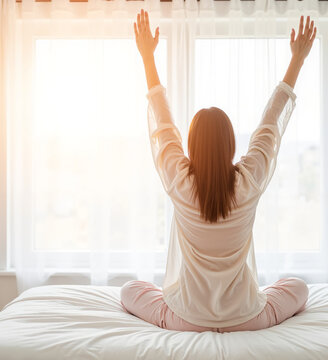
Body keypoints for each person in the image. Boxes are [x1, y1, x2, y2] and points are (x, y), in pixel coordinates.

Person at [121, 9, 317, 332]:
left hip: (186, 318)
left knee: (129, 291)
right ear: (230, 146)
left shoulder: (180, 181)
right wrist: (297, 60)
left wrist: (147, 58)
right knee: (298, 287)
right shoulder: (248, 181)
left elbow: (163, 123)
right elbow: (270, 125)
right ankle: (249, 301)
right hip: (246, 317)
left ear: (191, 146)